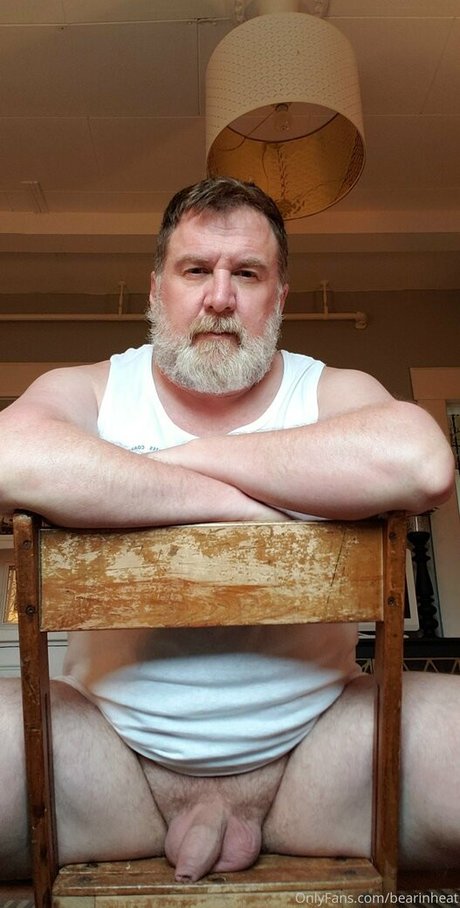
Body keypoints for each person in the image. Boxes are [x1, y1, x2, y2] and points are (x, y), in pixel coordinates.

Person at [0, 177, 457, 884]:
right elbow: (9, 456)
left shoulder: (325, 390)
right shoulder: (95, 388)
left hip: (318, 761)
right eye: (195, 271)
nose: (219, 297)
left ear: (280, 297)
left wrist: (166, 467)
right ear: (157, 291)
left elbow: (422, 463)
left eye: (247, 273)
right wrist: (247, 507)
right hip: (107, 764)